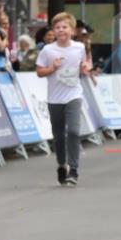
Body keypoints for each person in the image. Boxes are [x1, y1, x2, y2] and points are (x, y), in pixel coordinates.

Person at [36, 12, 90, 186]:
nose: (61, 30)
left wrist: (84, 67)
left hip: (74, 95)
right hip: (54, 98)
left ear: (72, 30)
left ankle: (74, 169)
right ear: (53, 30)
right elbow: (39, 72)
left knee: (73, 131)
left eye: (65, 27)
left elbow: (85, 64)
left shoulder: (79, 48)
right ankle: (62, 164)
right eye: (57, 27)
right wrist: (52, 68)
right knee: (58, 136)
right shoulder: (48, 50)